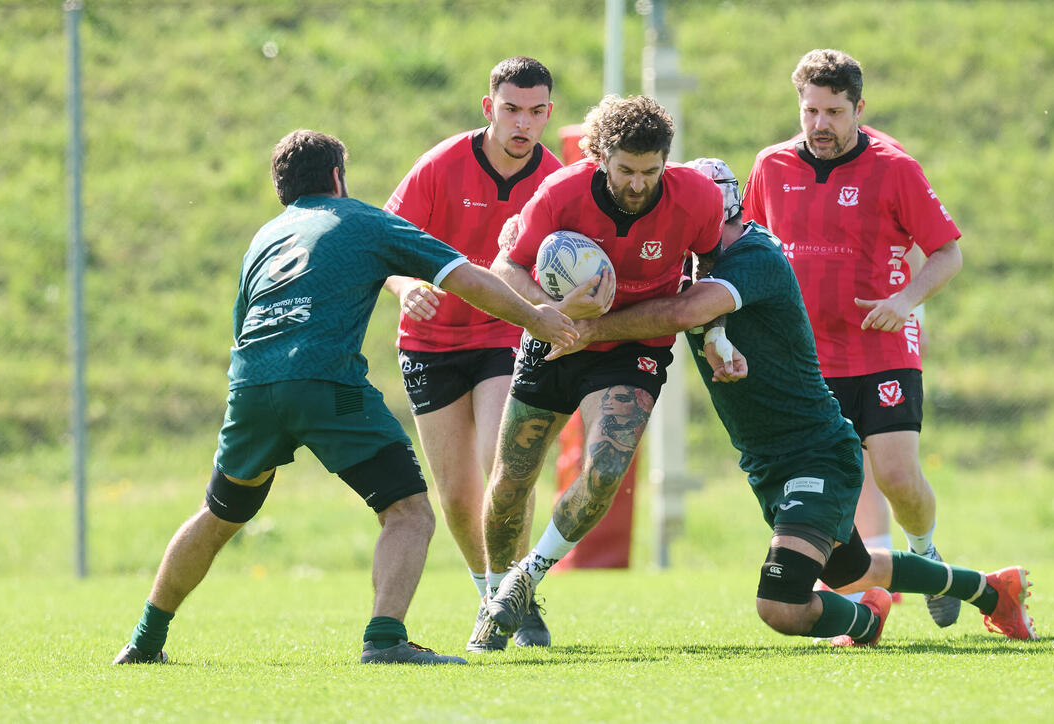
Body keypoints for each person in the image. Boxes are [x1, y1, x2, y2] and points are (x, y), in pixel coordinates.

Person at [111, 129, 577, 667]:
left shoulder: (265, 237)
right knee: (408, 512)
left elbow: (242, 326)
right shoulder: (363, 221)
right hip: (328, 384)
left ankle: (144, 641)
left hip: (252, 386)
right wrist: (537, 317)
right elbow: (466, 278)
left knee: (218, 514)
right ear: (338, 176)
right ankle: (384, 640)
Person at [542, 157, 1036, 646]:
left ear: (714, 213)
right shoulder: (694, 263)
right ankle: (994, 592)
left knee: (779, 603)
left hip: (816, 452)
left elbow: (684, 310)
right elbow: (693, 308)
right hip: (769, 461)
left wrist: (585, 331)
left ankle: (866, 623)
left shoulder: (755, 255)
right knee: (854, 570)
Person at [474, 94, 727, 645]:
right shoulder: (561, 194)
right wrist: (549, 314)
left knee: (606, 469)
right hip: (555, 339)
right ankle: (496, 595)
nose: (639, 184)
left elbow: (709, 265)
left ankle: (526, 577)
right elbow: (506, 268)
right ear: (601, 158)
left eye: (651, 171)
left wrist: (717, 335)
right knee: (511, 480)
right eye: (626, 171)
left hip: (633, 344)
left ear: (667, 160)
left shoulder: (698, 199)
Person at [743, 49, 965, 628]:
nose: (820, 124)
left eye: (834, 112)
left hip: (881, 348)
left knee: (895, 476)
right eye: (810, 110)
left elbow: (947, 253)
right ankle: (863, 603)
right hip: (806, 362)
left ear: (858, 108)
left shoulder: (895, 168)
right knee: (826, 494)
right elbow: (749, 253)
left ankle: (925, 551)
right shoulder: (770, 168)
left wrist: (904, 300)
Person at [381, 57, 563, 652]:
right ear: (490, 108)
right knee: (457, 493)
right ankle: (492, 596)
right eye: (512, 109)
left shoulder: (555, 178)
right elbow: (384, 245)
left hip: (505, 336)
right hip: (431, 345)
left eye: (536, 112)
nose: (523, 124)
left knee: (501, 463)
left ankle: (520, 594)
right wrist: (409, 289)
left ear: (547, 115)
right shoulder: (440, 165)